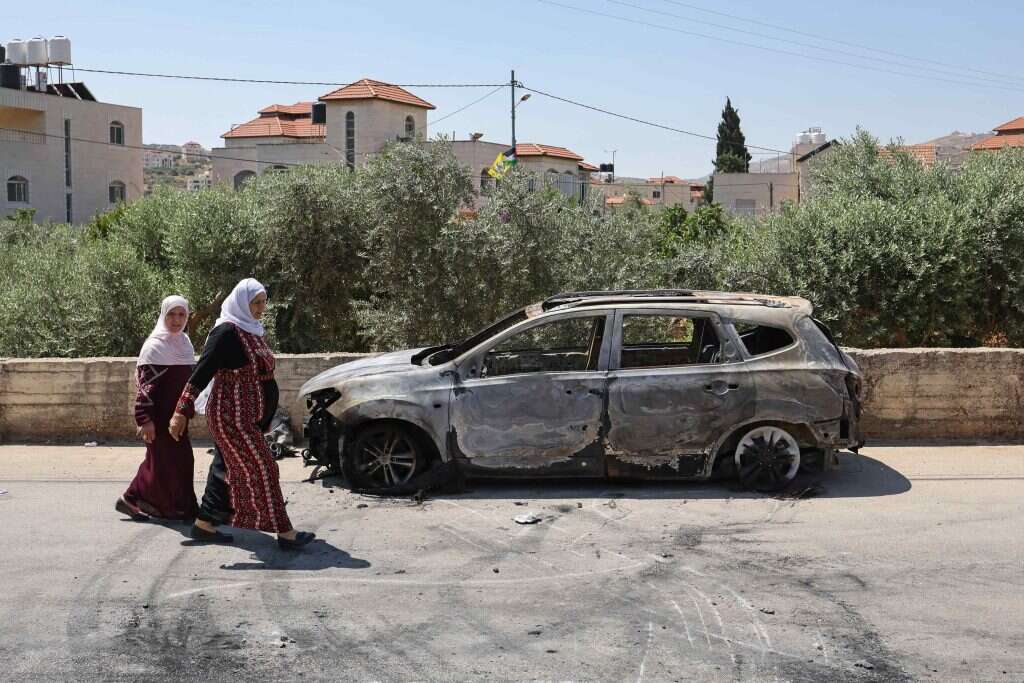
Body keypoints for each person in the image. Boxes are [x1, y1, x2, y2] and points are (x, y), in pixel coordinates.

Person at [169, 278, 315, 550]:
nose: (260, 308)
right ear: (241, 303)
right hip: (231, 418)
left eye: (263, 302)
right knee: (265, 467)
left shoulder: (253, 330)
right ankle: (285, 533)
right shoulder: (226, 332)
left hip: (251, 417)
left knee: (224, 469)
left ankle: (204, 523)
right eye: (255, 303)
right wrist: (181, 411)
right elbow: (202, 371)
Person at [117, 295, 200, 522]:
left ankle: (161, 505)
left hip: (177, 417)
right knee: (163, 464)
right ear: (163, 315)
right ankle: (174, 507)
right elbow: (144, 388)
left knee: (174, 463)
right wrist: (145, 419)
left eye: (181, 314)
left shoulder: (184, 343)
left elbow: (188, 382)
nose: (176, 320)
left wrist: (186, 411)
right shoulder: (154, 346)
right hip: (158, 419)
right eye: (171, 314)